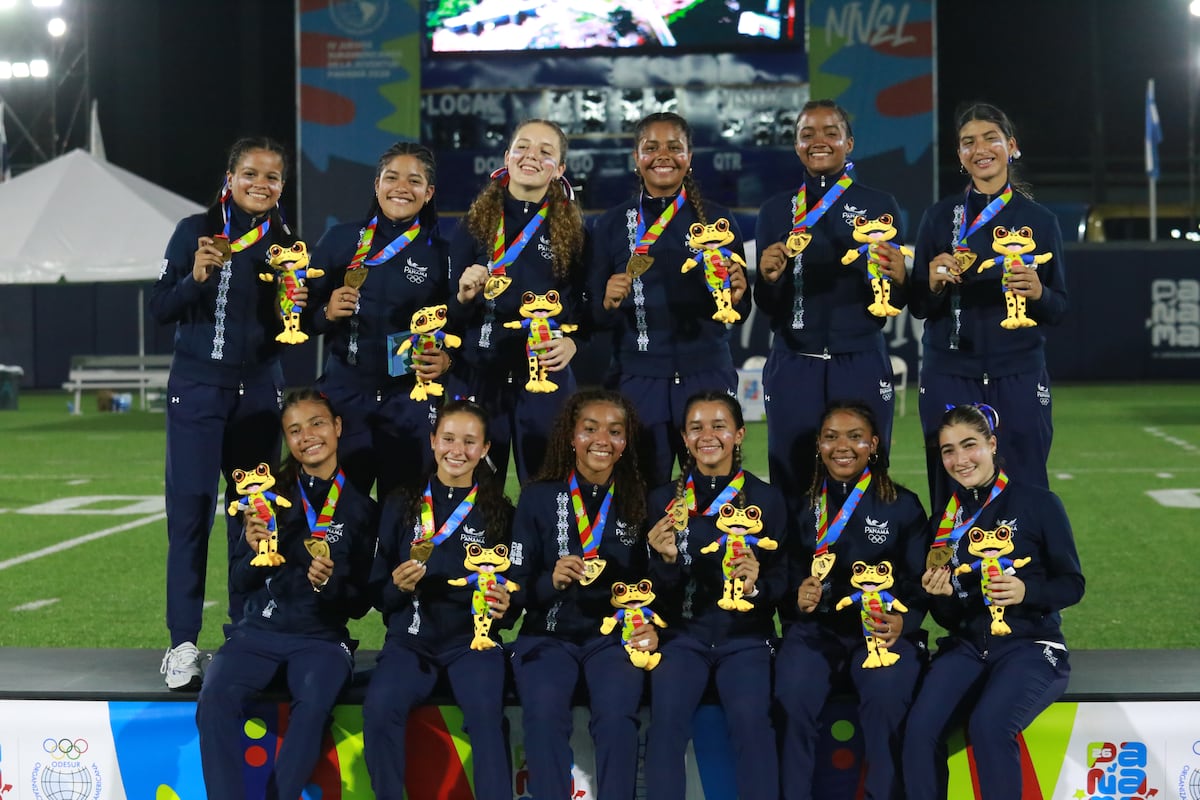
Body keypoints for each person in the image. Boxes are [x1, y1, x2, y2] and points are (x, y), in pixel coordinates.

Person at [152, 136, 299, 690]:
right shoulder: (194, 230)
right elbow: (160, 307)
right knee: (189, 518)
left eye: (273, 177)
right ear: (231, 176)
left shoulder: (288, 242)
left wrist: (303, 306)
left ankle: (248, 633)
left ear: (283, 185)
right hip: (196, 392)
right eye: (251, 173)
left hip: (260, 397)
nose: (262, 184)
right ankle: (183, 645)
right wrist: (194, 277)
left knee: (255, 520)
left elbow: (296, 333)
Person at [196, 389, 379, 800]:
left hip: (321, 640)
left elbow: (361, 603)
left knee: (314, 707)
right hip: (257, 633)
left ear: (337, 427)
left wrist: (327, 584)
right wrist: (251, 548)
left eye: (316, 423)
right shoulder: (264, 497)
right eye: (294, 430)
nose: (307, 436)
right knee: (214, 699)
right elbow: (241, 581)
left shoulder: (362, 509)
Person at [902, 404, 1084, 800]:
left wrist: (1027, 592)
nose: (959, 459)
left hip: (1031, 646)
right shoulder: (942, 525)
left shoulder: (1038, 503)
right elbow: (948, 617)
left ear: (992, 444)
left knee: (990, 725)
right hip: (967, 648)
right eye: (948, 450)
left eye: (969, 445)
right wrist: (945, 596)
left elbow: (1072, 584)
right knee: (918, 732)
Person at [909, 102, 1068, 509]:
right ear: (960, 156)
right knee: (950, 486)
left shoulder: (1041, 220)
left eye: (990, 138)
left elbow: (1059, 309)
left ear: (1011, 146)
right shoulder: (939, 217)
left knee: (1026, 481)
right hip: (950, 369)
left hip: (1017, 370)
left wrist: (1038, 293)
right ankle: (952, 572)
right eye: (968, 142)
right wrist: (930, 281)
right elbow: (919, 305)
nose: (980, 149)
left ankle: (1025, 573)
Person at [754, 100, 908, 503]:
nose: (818, 141)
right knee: (790, 480)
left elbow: (896, 295)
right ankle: (792, 568)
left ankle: (867, 567)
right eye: (807, 134)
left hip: (859, 359)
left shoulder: (880, 205)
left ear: (849, 143)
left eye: (830, 132)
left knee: (868, 479)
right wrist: (768, 279)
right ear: (796, 145)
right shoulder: (774, 211)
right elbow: (767, 303)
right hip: (794, 362)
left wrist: (900, 277)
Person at [507, 389, 658, 799]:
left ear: (626, 442)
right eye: (589, 429)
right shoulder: (538, 497)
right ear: (571, 436)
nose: (602, 440)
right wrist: (549, 580)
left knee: (616, 718)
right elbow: (515, 589)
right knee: (541, 716)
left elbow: (656, 583)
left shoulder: (641, 500)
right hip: (546, 636)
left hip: (612, 640)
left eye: (615, 431)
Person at [363, 398, 516, 800]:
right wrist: (397, 586)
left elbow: (514, 596)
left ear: (485, 450)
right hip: (410, 642)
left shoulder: (500, 511)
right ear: (433, 441)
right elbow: (378, 593)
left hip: (474, 645)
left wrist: (504, 605)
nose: (457, 451)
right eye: (448, 438)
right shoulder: (400, 502)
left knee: (486, 718)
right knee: (380, 709)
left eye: (469, 442)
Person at [774, 400, 927, 800]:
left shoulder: (903, 505)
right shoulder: (800, 505)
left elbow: (919, 583)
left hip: (880, 634)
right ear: (819, 446)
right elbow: (783, 576)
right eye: (831, 437)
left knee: (887, 699)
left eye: (855, 437)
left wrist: (903, 622)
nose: (842, 446)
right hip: (814, 634)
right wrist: (796, 597)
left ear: (874, 444)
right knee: (791, 698)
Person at [590, 111, 750, 487]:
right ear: (636, 158)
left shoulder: (719, 221)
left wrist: (739, 295)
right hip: (638, 378)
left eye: (674, 147)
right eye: (651, 147)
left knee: (716, 488)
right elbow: (594, 316)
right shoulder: (611, 224)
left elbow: (740, 311)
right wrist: (607, 302)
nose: (663, 155)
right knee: (641, 491)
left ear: (689, 158)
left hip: (706, 372)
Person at [641, 392, 786, 800]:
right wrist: (666, 562)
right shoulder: (663, 501)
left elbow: (783, 583)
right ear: (684, 439)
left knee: (752, 723)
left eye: (719, 426)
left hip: (746, 639)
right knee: (666, 723)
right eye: (696, 427)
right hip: (683, 637)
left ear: (739, 434)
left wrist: (756, 586)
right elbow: (649, 591)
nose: (708, 436)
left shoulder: (767, 500)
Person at [307, 142, 453, 500]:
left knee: (402, 518)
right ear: (376, 185)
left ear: (429, 192)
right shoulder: (340, 239)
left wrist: (447, 360)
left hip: (408, 402)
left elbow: (457, 327)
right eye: (392, 177)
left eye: (414, 180)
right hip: (345, 398)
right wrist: (325, 312)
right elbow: (299, 318)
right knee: (338, 518)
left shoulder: (443, 254)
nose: (401, 187)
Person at [449, 119, 587, 485]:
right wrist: (463, 296)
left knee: (548, 490)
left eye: (546, 152)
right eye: (523, 147)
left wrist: (574, 342)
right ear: (507, 156)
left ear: (559, 169)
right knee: (474, 493)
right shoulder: (474, 224)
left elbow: (586, 311)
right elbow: (444, 313)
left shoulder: (575, 232)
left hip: (545, 381)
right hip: (479, 376)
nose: (531, 156)